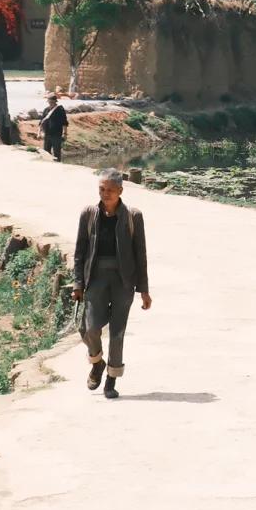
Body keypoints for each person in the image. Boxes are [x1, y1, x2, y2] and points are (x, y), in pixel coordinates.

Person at [72, 169, 151, 399]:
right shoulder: (89, 214)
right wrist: (78, 283)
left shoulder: (133, 217)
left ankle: (111, 379)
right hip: (95, 278)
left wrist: (144, 290)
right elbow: (80, 251)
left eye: (110, 190)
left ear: (120, 191)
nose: (105, 194)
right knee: (89, 328)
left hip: (123, 281)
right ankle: (97, 363)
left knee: (117, 332)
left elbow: (140, 254)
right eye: (102, 189)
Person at [39, 92, 68, 161]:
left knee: (56, 153)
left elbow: (64, 122)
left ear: (55, 101)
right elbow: (42, 122)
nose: (50, 102)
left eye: (52, 101)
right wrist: (40, 132)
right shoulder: (46, 110)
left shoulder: (60, 110)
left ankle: (57, 165)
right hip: (47, 134)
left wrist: (65, 133)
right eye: (49, 101)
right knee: (46, 152)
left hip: (56, 135)